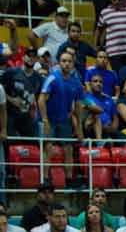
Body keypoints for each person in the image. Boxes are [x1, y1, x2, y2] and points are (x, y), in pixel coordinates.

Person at [38, 52, 84, 186]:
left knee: (69, 148)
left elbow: (78, 106)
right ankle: (45, 180)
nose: (66, 64)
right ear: (58, 63)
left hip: (64, 120)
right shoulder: (52, 77)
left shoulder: (75, 82)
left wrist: (79, 128)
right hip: (49, 119)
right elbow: (41, 99)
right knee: (48, 146)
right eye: (63, 61)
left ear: (73, 64)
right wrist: (45, 120)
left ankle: (69, 180)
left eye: (69, 61)